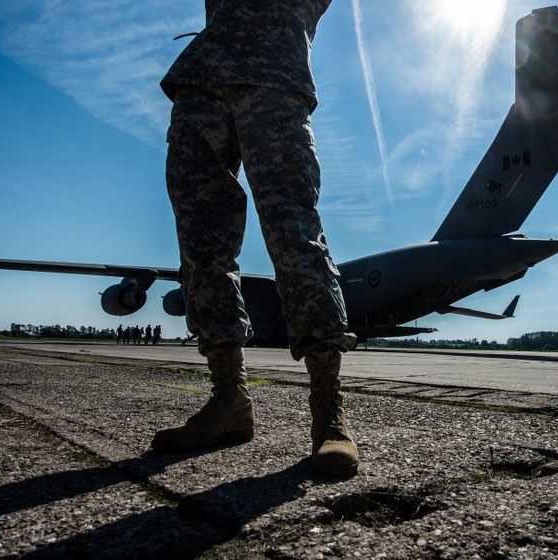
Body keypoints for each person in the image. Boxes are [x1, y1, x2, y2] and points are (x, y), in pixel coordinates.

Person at [150, 0, 359, 477]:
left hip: (274, 80)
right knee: (201, 242)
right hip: (198, 84)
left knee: (293, 232)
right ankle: (228, 401)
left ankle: (329, 415)